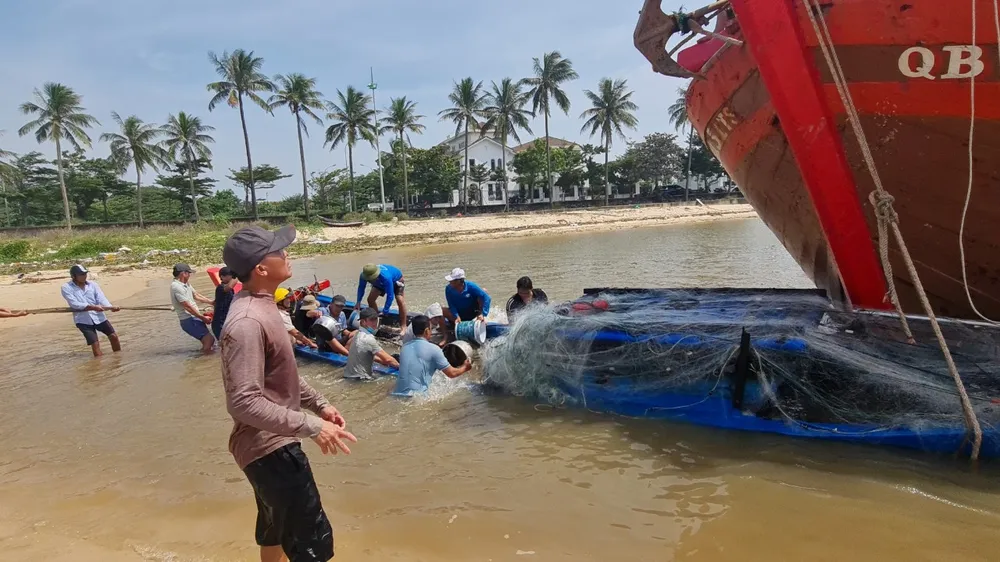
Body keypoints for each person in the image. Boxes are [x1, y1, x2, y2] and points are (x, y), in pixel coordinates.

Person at [220, 224, 356, 562]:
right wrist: (311, 426)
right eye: (279, 251)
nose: (286, 254)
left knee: (275, 531)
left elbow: (281, 373)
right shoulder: (247, 322)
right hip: (271, 451)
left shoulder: (264, 305)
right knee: (313, 548)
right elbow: (243, 401)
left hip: (268, 448)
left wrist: (319, 404)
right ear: (261, 269)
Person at [394, 315, 472, 397]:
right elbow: (451, 373)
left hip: (397, 395)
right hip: (416, 399)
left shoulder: (404, 348)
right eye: (431, 329)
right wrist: (465, 367)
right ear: (427, 331)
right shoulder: (434, 349)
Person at [60, 264, 121, 357]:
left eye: (85, 274)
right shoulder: (66, 287)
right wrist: (93, 307)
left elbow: (101, 298)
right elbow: (74, 304)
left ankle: (118, 359)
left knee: (113, 336)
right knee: (95, 343)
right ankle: (99, 364)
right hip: (83, 320)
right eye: (81, 274)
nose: (84, 276)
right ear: (73, 276)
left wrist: (110, 307)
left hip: (98, 317)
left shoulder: (93, 285)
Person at [170, 263, 216, 352]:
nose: (190, 275)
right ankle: (201, 361)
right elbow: (187, 307)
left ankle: (202, 358)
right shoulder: (176, 287)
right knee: (209, 340)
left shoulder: (185, 283)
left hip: (194, 317)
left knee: (209, 341)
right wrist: (202, 318)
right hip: (188, 320)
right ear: (183, 273)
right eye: (189, 273)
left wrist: (211, 302)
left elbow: (196, 295)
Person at [343, 308, 399, 380]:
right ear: (363, 322)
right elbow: (388, 360)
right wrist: (402, 368)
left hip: (348, 377)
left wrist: (381, 361)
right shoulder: (369, 339)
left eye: (376, 319)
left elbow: (360, 353)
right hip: (360, 380)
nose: (375, 322)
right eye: (371, 320)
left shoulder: (357, 334)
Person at [212, 266, 238, 340]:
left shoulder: (230, 290)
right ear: (222, 277)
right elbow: (229, 286)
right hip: (219, 323)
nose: (232, 278)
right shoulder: (220, 288)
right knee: (224, 344)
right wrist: (237, 276)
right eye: (231, 276)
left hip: (227, 321)